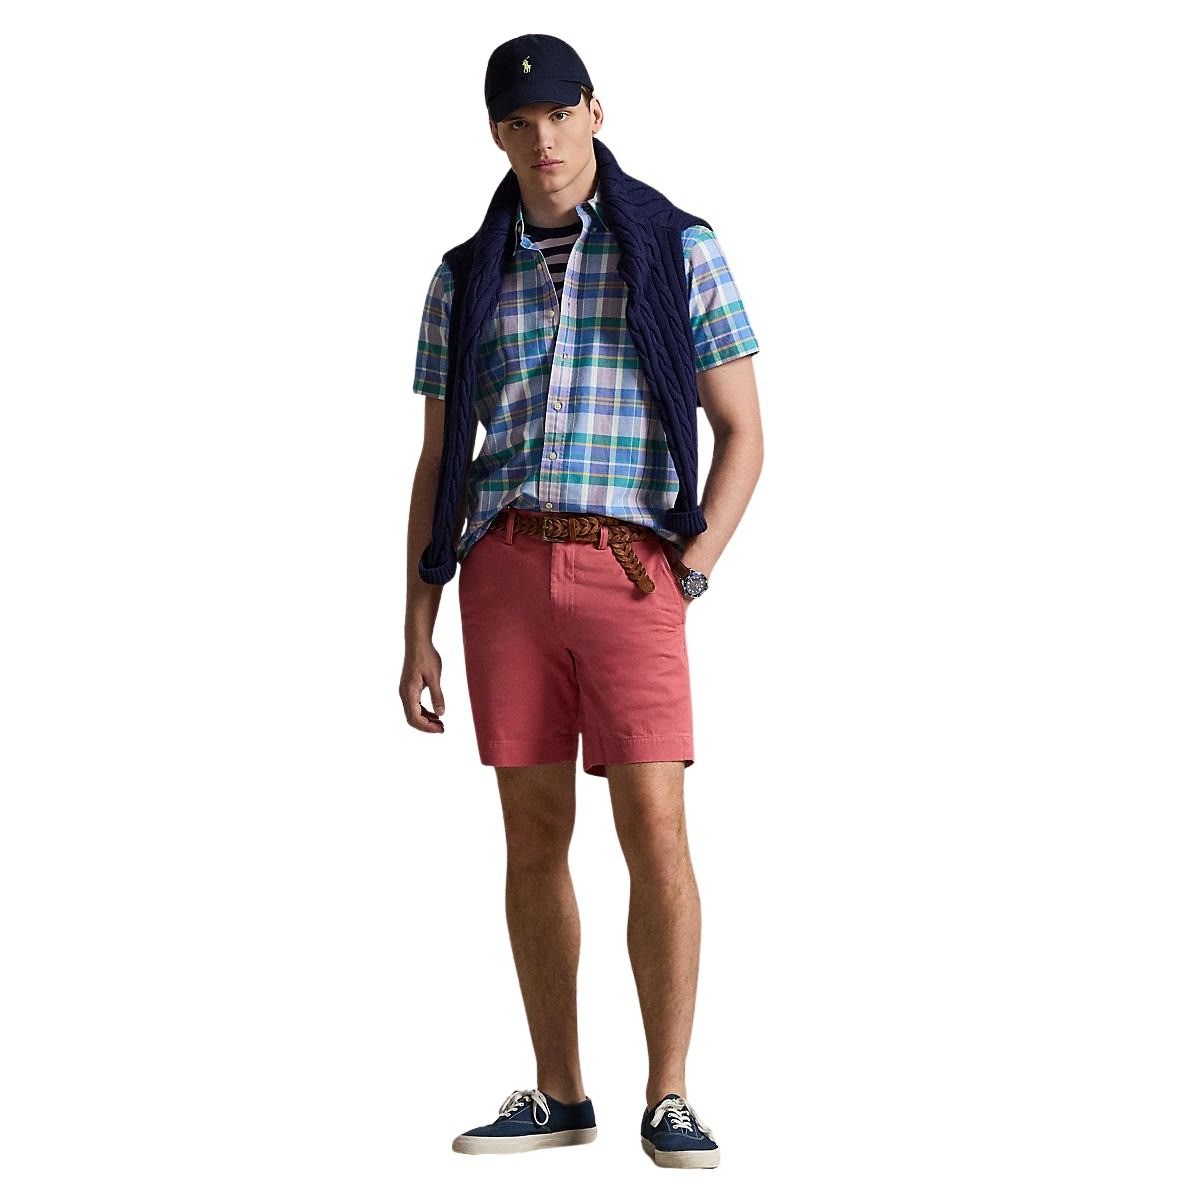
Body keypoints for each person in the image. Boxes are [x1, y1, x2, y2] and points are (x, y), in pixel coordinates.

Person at [400, 33, 763, 1170]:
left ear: (595, 112)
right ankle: (559, 1093)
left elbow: (744, 432)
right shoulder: (465, 275)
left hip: (632, 567)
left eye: (560, 113)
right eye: (520, 122)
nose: (543, 138)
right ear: (496, 135)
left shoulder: (678, 245)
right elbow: (439, 458)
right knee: (531, 837)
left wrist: (690, 568)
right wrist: (417, 624)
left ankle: (670, 1095)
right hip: (503, 571)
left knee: (655, 827)